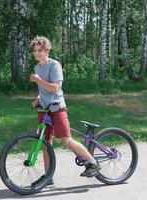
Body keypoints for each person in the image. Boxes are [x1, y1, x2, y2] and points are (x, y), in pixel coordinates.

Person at [29, 36, 101, 184]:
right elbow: (44, 89)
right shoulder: (37, 68)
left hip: (57, 108)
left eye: (40, 51)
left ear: (47, 50)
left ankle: (93, 162)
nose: (37, 53)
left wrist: (38, 80)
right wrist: (37, 98)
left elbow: (55, 87)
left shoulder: (54, 65)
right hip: (44, 109)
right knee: (44, 143)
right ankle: (48, 177)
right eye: (35, 51)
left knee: (66, 139)